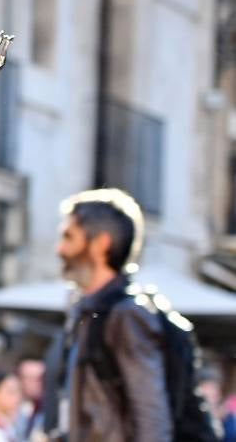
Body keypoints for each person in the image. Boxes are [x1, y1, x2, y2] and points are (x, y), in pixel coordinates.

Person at [39, 189, 170, 441]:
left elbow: (152, 416)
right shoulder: (84, 312)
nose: (59, 249)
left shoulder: (127, 315)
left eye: (68, 237)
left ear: (101, 244)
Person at [11, 356, 45, 440]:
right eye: (30, 378)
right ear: (18, 379)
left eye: (40, 378)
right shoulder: (9, 408)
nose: (36, 383)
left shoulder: (49, 409)